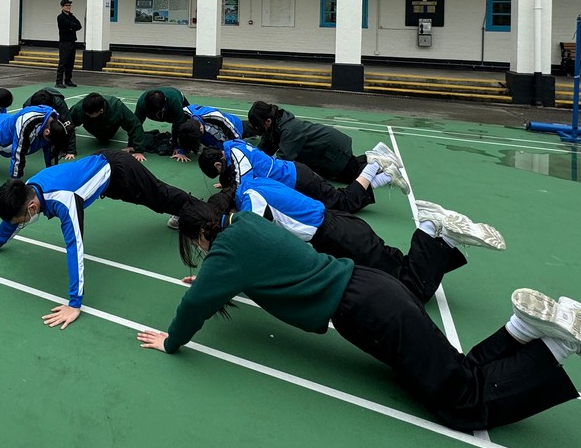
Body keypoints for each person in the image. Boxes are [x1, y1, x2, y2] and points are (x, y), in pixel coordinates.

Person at [135, 194, 581, 431]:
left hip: (365, 313)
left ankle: (558, 343)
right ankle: (522, 329)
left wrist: (171, 340)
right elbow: (261, 268)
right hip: (372, 287)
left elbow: (196, 304)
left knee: (460, 402)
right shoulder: (248, 224)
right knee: (454, 370)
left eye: (196, 248)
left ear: (200, 236)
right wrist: (214, 278)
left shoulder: (225, 254)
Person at [200, 146, 502, 304]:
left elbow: (253, 242)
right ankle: (441, 235)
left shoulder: (249, 201)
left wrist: (218, 276)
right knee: (394, 264)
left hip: (337, 236)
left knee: (411, 291)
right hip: (340, 227)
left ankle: (431, 229)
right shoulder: (252, 183)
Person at [0, 150, 198, 328]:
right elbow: (11, 219)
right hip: (106, 175)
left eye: (22, 221)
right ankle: (190, 210)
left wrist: (74, 303)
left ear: (32, 207)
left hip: (120, 171)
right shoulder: (27, 190)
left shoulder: (63, 199)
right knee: (156, 199)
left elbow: (75, 246)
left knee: (159, 197)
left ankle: (201, 213)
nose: (20, 224)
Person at [214, 136, 406, 214]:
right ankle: (387, 176)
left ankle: (374, 162)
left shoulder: (237, 157)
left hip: (298, 180)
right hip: (297, 173)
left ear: (217, 163)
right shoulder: (234, 145)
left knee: (343, 203)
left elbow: (245, 184)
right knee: (340, 198)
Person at [248, 101, 398, 186]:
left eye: (257, 126)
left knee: (353, 177)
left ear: (268, 120)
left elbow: (282, 161)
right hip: (324, 149)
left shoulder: (289, 130)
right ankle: (377, 155)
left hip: (331, 150)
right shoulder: (274, 126)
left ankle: (382, 167)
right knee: (352, 166)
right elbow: (263, 150)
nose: (257, 131)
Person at [0, 104, 71, 179]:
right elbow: (18, 152)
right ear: (47, 132)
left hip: (4, 124)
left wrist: (53, 175)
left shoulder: (54, 122)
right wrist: (15, 181)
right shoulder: (27, 122)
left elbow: (51, 152)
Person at [67, 92, 147, 160]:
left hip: (111, 127)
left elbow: (135, 125)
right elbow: (68, 125)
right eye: (86, 112)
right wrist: (69, 150)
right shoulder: (80, 108)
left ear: (101, 110)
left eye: (90, 113)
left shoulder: (117, 106)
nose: (87, 113)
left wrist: (138, 150)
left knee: (106, 137)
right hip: (92, 126)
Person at [174, 103, 245, 161]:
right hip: (210, 128)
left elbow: (235, 134)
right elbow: (182, 132)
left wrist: (235, 151)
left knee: (224, 147)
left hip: (235, 125)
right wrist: (181, 151)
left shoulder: (216, 117)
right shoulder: (185, 112)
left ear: (201, 128)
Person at [23, 88, 77, 158]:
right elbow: (24, 127)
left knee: (59, 128)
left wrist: (71, 151)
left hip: (55, 109)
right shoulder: (28, 106)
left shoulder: (59, 103)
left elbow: (68, 125)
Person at [55, 0, 81, 87]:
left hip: (72, 41)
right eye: (66, 5)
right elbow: (69, 25)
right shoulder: (60, 17)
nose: (69, 7)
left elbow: (78, 26)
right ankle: (59, 81)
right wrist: (72, 27)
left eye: (69, 5)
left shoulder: (72, 16)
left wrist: (71, 27)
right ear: (62, 7)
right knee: (63, 62)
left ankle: (68, 80)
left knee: (70, 62)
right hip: (64, 42)